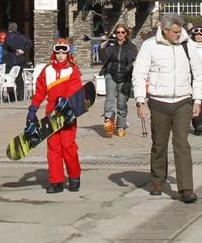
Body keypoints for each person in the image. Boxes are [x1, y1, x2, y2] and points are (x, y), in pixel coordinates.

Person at [132, 15, 202, 204]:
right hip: (158, 102)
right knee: (159, 143)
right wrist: (140, 101)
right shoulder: (150, 45)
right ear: (164, 30)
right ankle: (157, 180)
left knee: (182, 144)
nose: (179, 34)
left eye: (180, 31)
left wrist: (197, 100)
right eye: (175, 31)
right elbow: (139, 74)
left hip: (183, 101)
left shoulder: (187, 45)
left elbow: (199, 74)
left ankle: (186, 188)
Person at [27, 38, 87, 193]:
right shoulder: (47, 70)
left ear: (68, 54)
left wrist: (66, 105)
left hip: (68, 112)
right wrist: (33, 108)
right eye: (58, 52)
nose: (60, 55)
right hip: (52, 112)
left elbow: (75, 90)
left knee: (68, 146)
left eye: (64, 52)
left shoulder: (72, 70)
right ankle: (56, 181)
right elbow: (40, 91)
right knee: (53, 148)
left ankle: (74, 176)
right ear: (54, 52)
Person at [98, 23, 137, 137]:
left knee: (121, 102)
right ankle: (108, 121)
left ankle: (121, 125)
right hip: (111, 74)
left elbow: (133, 59)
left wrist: (130, 69)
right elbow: (104, 59)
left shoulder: (131, 46)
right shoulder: (111, 45)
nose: (120, 34)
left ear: (126, 34)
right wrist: (102, 48)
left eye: (122, 32)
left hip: (125, 76)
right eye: (118, 32)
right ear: (115, 34)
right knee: (109, 99)